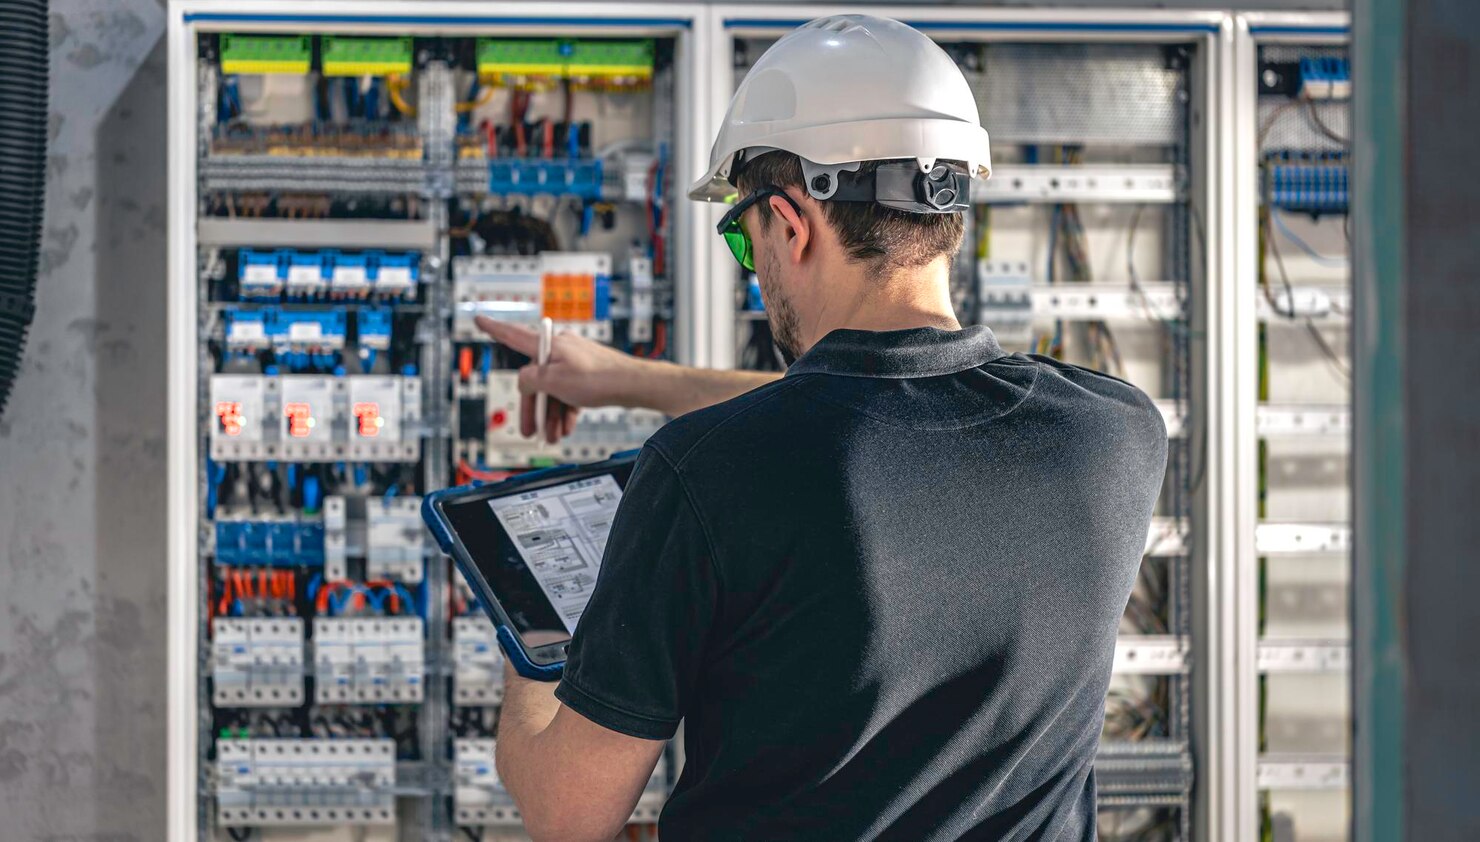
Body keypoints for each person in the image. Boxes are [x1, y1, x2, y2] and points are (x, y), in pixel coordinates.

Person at [487, 15, 1167, 841]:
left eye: (746, 239)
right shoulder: (1113, 435)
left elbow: (567, 814)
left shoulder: (703, 474)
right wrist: (631, 381)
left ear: (791, 223)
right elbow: (884, 411)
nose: (755, 269)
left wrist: (533, 643)